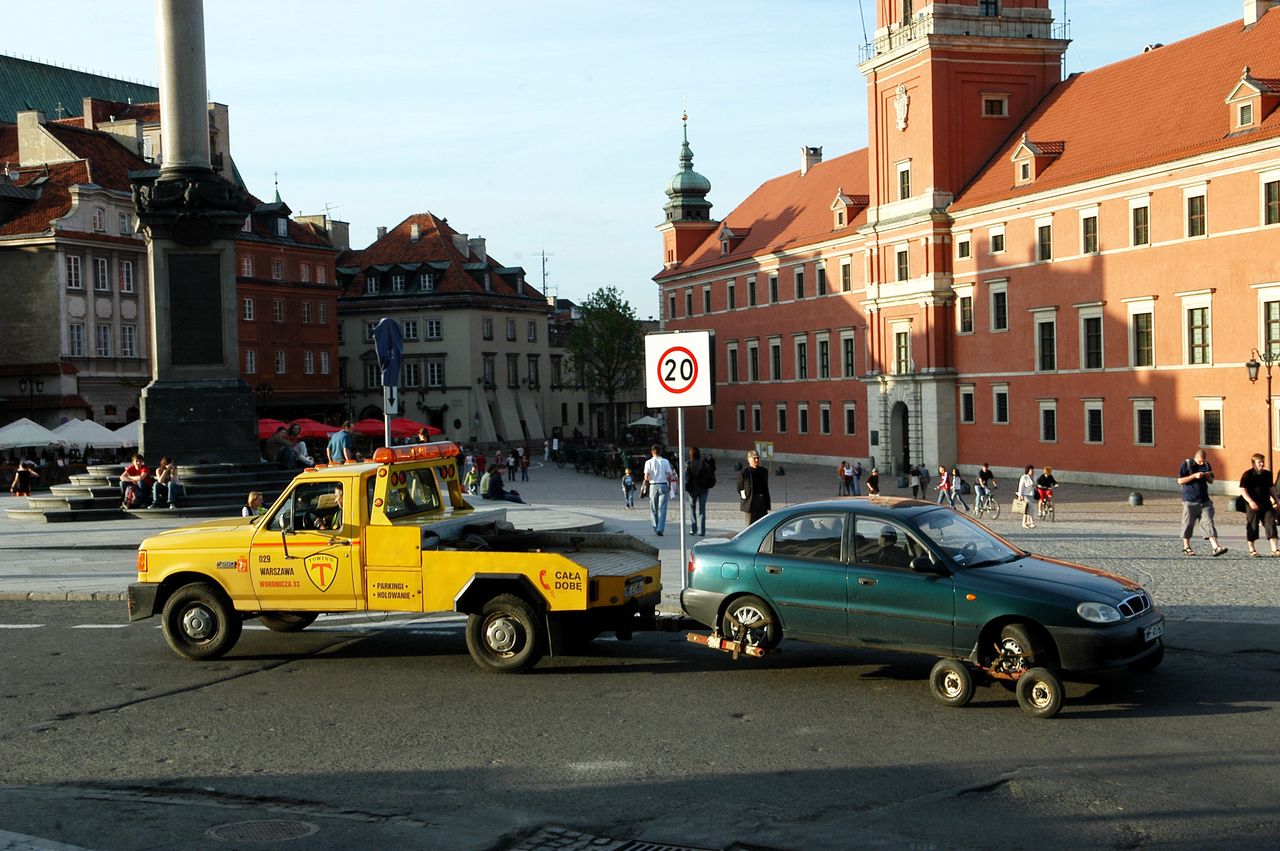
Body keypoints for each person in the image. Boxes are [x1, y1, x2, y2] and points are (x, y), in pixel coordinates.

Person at [1178, 450, 1226, 556]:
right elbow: (1180, 481)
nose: (1201, 463)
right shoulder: (1187, 464)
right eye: (1200, 461)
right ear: (1196, 458)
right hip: (1190, 500)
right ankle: (1187, 547)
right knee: (1188, 524)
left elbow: (1211, 481)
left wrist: (1207, 475)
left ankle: (1215, 547)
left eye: (1203, 461)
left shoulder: (1207, 465)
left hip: (1205, 500)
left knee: (1208, 522)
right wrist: (1194, 476)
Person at [1240, 453, 1280, 557]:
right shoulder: (1247, 475)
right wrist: (1250, 502)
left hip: (1266, 503)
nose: (1262, 464)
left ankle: (1275, 549)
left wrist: (1276, 500)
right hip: (1252, 504)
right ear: (1253, 463)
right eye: (1259, 462)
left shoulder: (1267, 474)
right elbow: (1243, 490)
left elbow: (1271, 488)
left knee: (1271, 523)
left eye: (1263, 461)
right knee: (1252, 525)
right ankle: (1252, 549)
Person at [643, 444, 674, 535]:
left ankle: (655, 526)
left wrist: (652, 478)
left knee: (653, 508)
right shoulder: (665, 461)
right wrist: (669, 485)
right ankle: (661, 528)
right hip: (664, 484)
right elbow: (669, 475)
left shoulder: (648, 462)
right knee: (662, 508)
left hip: (653, 485)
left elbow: (646, 477)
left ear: (652, 452)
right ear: (660, 452)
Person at [737, 448, 771, 526]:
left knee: (762, 524)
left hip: (762, 502)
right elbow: (739, 487)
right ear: (748, 460)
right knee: (750, 526)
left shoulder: (764, 471)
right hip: (750, 501)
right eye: (754, 458)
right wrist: (745, 497)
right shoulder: (744, 472)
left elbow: (765, 487)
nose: (756, 460)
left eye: (757, 458)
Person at [686, 447, 715, 536]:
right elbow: (710, 474)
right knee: (702, 509)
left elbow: (686, 477)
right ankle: (702, 530)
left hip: (692, 489)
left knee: (692, 508)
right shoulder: (704, 463)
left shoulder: (689, 463)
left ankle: (693, 528)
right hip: (703, 489)